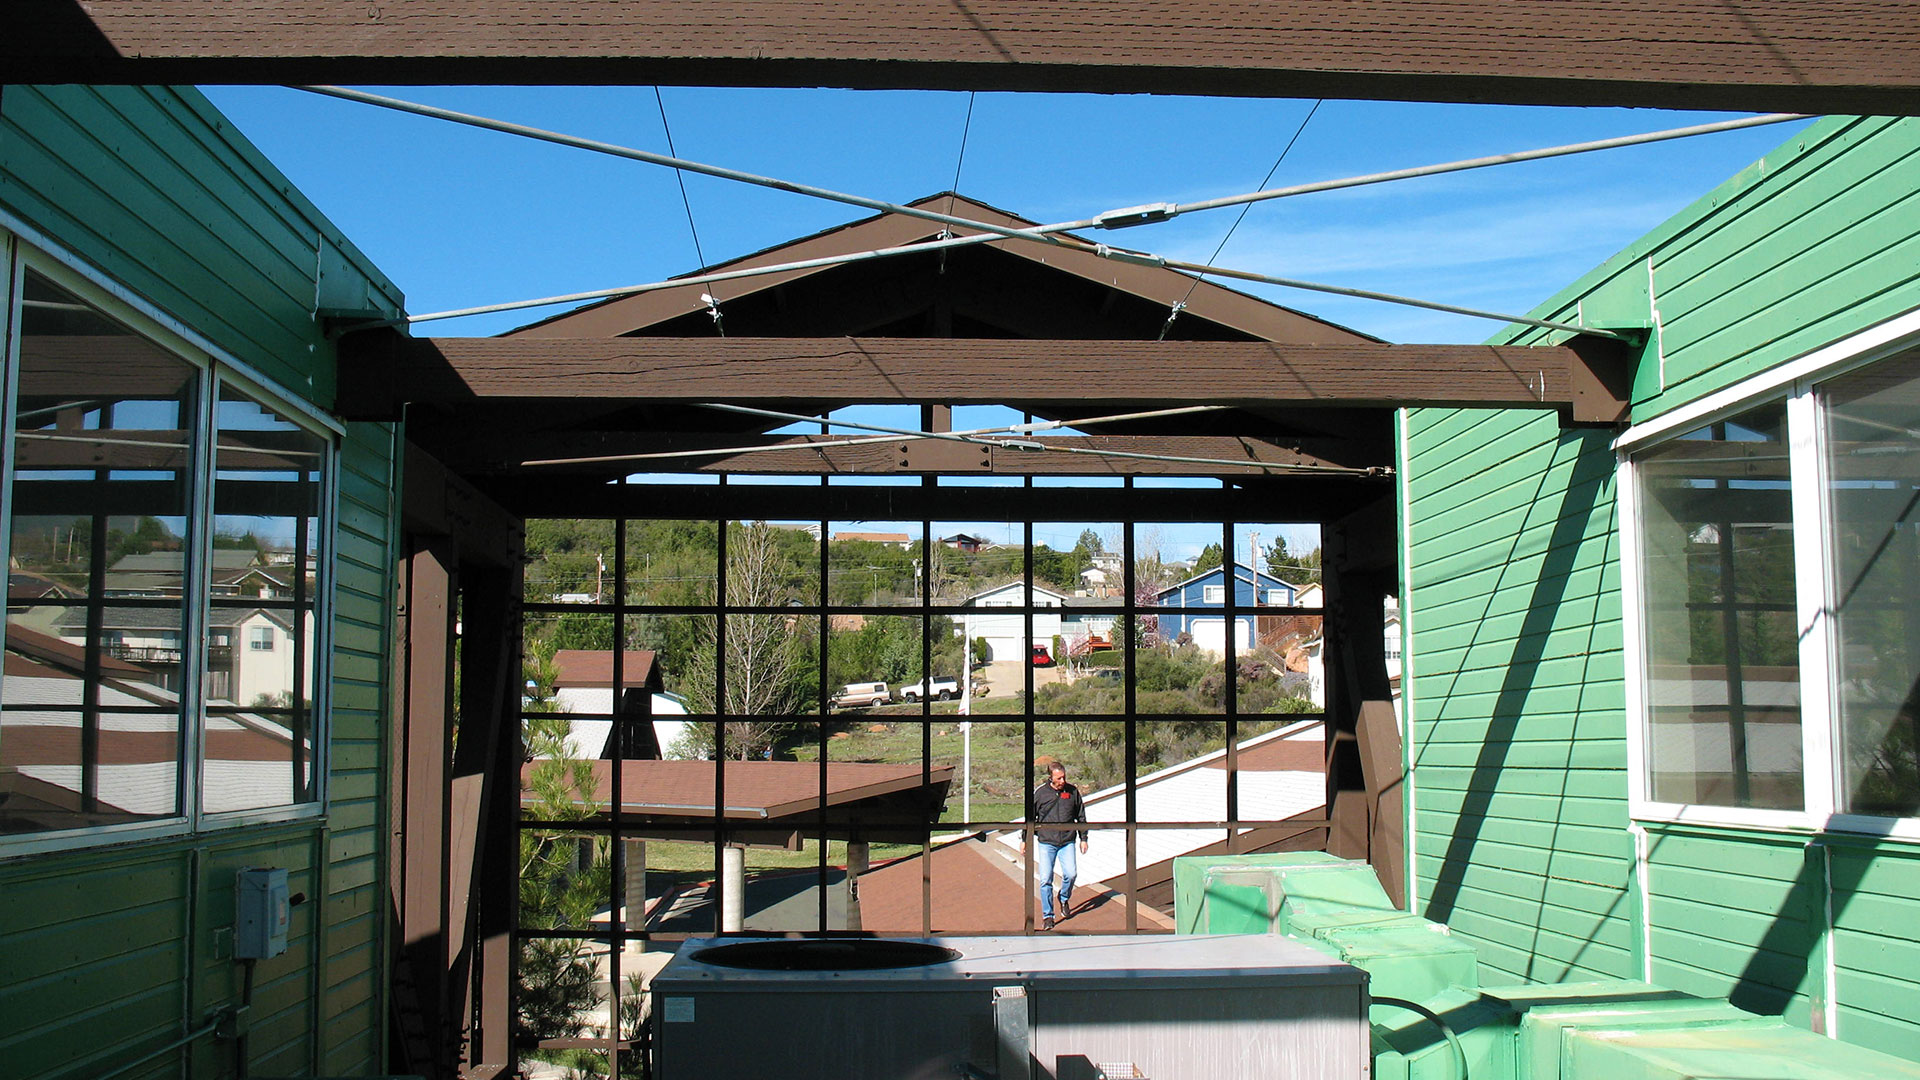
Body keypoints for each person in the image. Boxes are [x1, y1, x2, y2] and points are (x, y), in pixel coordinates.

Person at [1030, 761, 1088, 930]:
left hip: (1067, 841)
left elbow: (1081, 816)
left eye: (1063, 777)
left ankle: (1063, 898)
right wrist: (1025, 839)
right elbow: (1030, 818)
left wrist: (1083, 838)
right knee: (1045, 880)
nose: (1062, 780)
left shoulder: (1072, 792)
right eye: (1058, 778)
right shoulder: (1041, 794)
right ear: (1051, 777)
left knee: (1071, 873)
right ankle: (1048, 916)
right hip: (1047, 843)